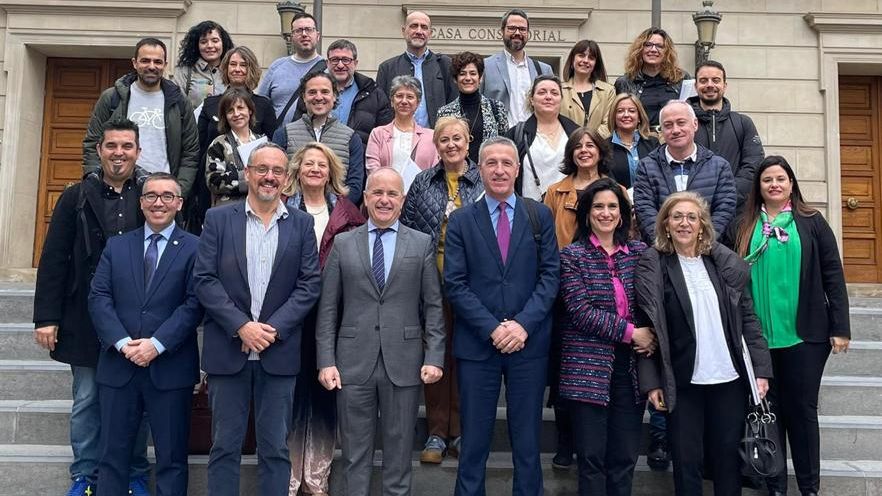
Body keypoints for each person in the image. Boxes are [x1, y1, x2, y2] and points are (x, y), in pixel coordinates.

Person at [193, 142, 322, 496]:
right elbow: (204, 279)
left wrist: (272, 330)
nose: (269, 177)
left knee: (276, 449)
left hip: (277, 354)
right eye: (262, 169)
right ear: (248, 174)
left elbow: (309, 285)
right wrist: (241, 326)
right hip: (228, 351)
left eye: (277, 171)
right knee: (223, 448)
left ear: (286, 179)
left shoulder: (301, 224)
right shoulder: (218, 219)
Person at [34, 119, 150, 496]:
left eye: (127, 146)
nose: (119, 153)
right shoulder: (75, 196)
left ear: (138, 152)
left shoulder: (151, 195)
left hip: (136, 317)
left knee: (134, 400)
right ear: (99, 151)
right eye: (112, 146)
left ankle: (133, 473)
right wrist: (47, 318)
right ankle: (85, 474)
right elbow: (54, 259)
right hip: (82, 315)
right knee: (86, 398)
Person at [316, 167, 445, 496]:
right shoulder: (344, 244)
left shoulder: (421, 243)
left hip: (403, 363)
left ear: (402, 200)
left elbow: (432, 306)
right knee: (354, 456)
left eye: (392, 194)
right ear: (366, 197)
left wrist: (435, 357)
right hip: (351, 364)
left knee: (399, 455)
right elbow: (328, 308)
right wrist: (325, 361)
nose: (384, 200)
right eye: (378, 193)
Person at [635, 191, 772, 496]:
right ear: (666, 225)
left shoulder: (721, 265)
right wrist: (651, 382)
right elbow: (648, 325)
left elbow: (748, 319)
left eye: (692, 217)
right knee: (687, 461)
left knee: (726, 460)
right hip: (683, 382)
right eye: (677, 217)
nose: (685, 223)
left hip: (729, 379)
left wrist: (760, 371)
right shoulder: (654, 265)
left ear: (702, 226)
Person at [444, 136, 560, 495]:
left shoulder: (539, 214)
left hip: (529, 346)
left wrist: (523, 325)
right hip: (479, 346)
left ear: (517, 169)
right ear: (479, 169)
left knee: (527, 444)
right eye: (491, 163)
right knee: (474, 442)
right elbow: (455, 283)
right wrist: (493, 328)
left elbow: (550, 276)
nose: (499, 170)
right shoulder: (463, 219)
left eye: (506, 163)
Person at [734, 156, 850, 496]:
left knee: (801, 412)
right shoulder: (743, 225)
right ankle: (774, 485)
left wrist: (840, 327)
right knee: (769, 413)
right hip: (758, 340)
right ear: (758, 186)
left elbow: (833, 273)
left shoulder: (811, 221)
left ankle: (809, 487)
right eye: (767, 179)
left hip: (805, 337)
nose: (774, 184)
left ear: (791, 183)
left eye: (780, 179)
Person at [88, 173, 203, 496]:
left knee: (172, 458)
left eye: (168, 196)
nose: (158, 203)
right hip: (118, 366)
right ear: (140, 203)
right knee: (111, 457)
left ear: (179, 204)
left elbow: (194, 304)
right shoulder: (117, 245)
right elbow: (99, 298)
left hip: (170, 368)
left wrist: (156, 344)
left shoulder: (195, 247)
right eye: (151, 196)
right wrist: (124, 343)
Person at [557, 178, 654, 496]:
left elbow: (652, 303)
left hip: (631, 370)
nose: (606, 212)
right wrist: (631, 332)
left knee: (625, 456)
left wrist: (648, 334)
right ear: (587, 213)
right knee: (592, 458)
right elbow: (580, 311)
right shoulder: (573, 256)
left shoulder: (640, 253)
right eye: (598, 206)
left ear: (623, 213)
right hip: (587, 369)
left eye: (613, 206)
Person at [400, 117, 485, 464]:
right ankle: (437, 433)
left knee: (465, 359)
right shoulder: (423, 182)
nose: (451, 145)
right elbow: (407, 228)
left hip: (472, 286)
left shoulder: (483, 180)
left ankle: (462, 430)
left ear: (469, 142)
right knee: (436, 358)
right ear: (436, 145)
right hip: (431, 285)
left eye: (457, 139)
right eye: (444, 140)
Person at [282, 142, 365, 496]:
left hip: (334, 315)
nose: (315, 169)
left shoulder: (349, 213)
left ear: (331, 172)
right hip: (288, 316)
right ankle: (288, 475)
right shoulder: (283, 208)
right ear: (297, 170)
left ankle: (316, 478)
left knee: (323, 396)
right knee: (288, 395)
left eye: (322, 164)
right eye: (308, 163)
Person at [83, 37, 200, 198]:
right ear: (134, 63)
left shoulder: (179, 101)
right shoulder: (111, 98)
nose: (152, 66)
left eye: (157, 62)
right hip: (117, 190)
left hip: (163, 194)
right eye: (145, 61)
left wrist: (179, 192)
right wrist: (95, 182)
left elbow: (191, 152)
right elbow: (92, 143)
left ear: (165, 65)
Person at [633, 100, 736, 243]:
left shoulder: (719, 167)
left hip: (707, 253)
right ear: (661, 130)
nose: (675, 130)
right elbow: (645, 211)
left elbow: (724, 210)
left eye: (681, 123)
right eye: (668, 125)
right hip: (663, 255)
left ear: (695, 124)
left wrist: (703, 243)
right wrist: (665, 244)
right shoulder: (646, 167)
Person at [272, 71, 365, 205]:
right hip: (292, 214)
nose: (318, 97)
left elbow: (355, 185)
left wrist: (336, 211)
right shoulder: (283, 134)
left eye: (325, 92)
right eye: (312, 92)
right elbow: (276, 175)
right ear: (304, 97)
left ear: (335, 96)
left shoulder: (350, 138)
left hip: (335, 216)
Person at [290, 39, 394, 147]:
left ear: (355, 63)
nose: (340, 65)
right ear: (327, 63)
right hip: (317, 159)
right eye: (334, 60)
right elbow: (298, 128)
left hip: (358, 159)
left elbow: (385, 136)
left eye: (346, 60)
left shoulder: (373, 93)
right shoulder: (311, 92)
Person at [688, 60, 765, 205]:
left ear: (725, 85)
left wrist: (728, 195)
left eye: (716, 80)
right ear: (696, 86)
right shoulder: (684, 123)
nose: (710, 85)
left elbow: (753, 165)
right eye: (703, 80)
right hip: (693, 209)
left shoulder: (742, 123)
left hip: (735, 210)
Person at [545, 127, 624, 248]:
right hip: (566, 263)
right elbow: (547, 237)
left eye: (590, 145)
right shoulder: (554, 192)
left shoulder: (618, 191)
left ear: (600, 152)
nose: (583, 150)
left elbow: (626, 232)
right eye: (577, 147)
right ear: (571, 154)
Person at [376, 11, 457, 129]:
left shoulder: (446, 65)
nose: (419, 31)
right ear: (404, 31)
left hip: (435, 140)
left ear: (430, 33)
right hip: (397, 139)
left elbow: (454, 106)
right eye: (414, 26)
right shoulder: (387, 68)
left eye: (424, 27)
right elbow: (381, 111)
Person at [504, 74, 580, 201]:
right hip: (529, 211)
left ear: (561, 99)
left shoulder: (576, 133)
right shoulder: (517, 134)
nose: (548, 97)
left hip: (569, 210)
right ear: (532, 100)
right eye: (542, 92)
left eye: (554, 93)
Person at [365, 75, 439, 191]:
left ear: (418, 103)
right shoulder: (378, 134)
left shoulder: (431, 136)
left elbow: (435, 172)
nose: (404, 101)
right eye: (399, 96)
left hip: (420, 199)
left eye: (410, 97)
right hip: (387, 199)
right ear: (392, 101)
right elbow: (373, 170)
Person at [481, 9, 554, 126]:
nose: (517, 33)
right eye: (511, 28)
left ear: (528, 33)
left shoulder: (544, 70)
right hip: (500, 139)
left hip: (534, 138)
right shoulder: (485, 66)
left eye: (522, 29)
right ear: (502, 31)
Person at [437, 51, 509, 163]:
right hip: (456, 174)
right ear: (455, 79)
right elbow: (441, 149)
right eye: (462, 73)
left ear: (480, 78)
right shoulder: (444, 112)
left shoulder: (497, 108)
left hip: (487, 175)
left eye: (473, 73)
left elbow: (505, 146)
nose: (468, 78)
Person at [614, 28, 691, 129]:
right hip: (640, 140)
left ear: (667, 51)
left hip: (673, 138)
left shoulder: (681, 79)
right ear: (640, 49)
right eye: (648, 45)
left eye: (659, 46)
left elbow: (691, 112)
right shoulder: (625, 83)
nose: (653, 50)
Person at [258, 12, 325, 125]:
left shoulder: (328, 69)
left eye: (309, 29)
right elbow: (261, 104)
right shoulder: (277, 66)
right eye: (298, 30)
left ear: (317, 35)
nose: (304, 34)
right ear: (292, 37)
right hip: (278, 138)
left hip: (316, 140)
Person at [205, 87, 266, 206]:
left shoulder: (263, 142)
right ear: (225, 116)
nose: (236, 114)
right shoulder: (218, 144)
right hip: (229, 211)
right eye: (230, 110)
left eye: (240, 108)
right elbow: (213, 180)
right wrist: (249, 177)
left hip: (260, 208)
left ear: (250, 110)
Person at [173, 20, 235, 109]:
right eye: (203, 42)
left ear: (223, 43)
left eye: (215, 41)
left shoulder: (232, 69)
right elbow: (177, 104)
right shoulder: (185, 71)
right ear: (196, 45)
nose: (209, 45)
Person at [560, 40, 616, 137]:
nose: (585, 60)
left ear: (595, 64)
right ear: (572, 59)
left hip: (597, 147)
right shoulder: (559, 90)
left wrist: (589, 140)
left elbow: (608, 124)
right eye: (581, 55)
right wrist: (574, 142)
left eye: (591, 58)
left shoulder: (608, 91)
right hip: (566, 147)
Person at [606, 93, 659, 190]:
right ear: (613, 116)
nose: (626, 115)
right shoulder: (604, 147)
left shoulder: (653, 143)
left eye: (631, 111)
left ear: (639, 117)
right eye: (620, 111)